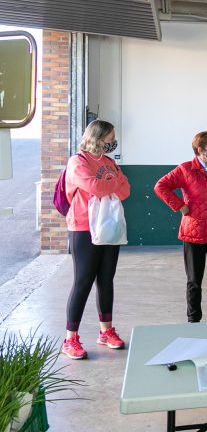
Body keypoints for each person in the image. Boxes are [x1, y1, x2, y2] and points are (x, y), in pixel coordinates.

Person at [62, 119, 131, 360]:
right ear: (98, 138)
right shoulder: (78, 161)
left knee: (106, 279)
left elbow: (126, 190)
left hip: (109, 227)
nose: (113, 142)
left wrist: (108, 184)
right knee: (83, 281)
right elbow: (94, 187)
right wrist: (112, 183)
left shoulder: (110, 162)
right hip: (83, 227)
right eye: (111, 138)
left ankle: (106, 331)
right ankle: (70, 338)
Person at [154, 131, 207, 323]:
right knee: (194, 281)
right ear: (200, 150)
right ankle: (194, 320)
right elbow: (160, 186)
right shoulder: (185, 169)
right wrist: (180, 206)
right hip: (194, 232)